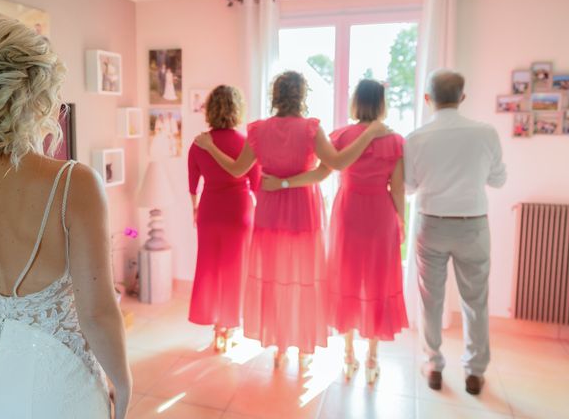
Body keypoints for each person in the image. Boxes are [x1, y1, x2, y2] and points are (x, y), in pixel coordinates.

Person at [0, 20, 132, 419]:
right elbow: (96, 313)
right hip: (50, 387)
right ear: (38, 94)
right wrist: (124, 384)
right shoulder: (72, 183)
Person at [195, 71, 387, 370]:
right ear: (302, 96)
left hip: (270, 212)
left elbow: (236, 170)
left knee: (275, 277)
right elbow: (333, 165)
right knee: (303, 278)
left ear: (275, 96)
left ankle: (280, 345)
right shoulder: (311, 129)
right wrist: (369, 135)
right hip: (303, 211)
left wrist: (209, 147)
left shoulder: (259, 130)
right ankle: (302, 349)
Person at [262, 79, 407, 383]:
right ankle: (372, 358)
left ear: (356, 102)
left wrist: (284, 183)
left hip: (349, 212)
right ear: (381, 104)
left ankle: (349, 355)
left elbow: (317, 173)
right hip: (381, 215)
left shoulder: (341, 135)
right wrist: (401, 221)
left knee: (348, 279)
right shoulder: (395, 141)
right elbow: (397, 189)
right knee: (378, 281)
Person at [404, 69, 506, 395]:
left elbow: (408, 187)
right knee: (475, 301)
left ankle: (433, 364)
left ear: (427, 99)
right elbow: (498, 179)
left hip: (431, 224)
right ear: (462, 98)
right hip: (473, 225)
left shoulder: (416, 137)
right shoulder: (486, 133)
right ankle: (475, 372)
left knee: (431, 300)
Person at [187, 85, 259, 352]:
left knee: (210, 268)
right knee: (234, 269)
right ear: (237, 109)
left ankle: (216, 328)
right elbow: (256, 183)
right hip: (239, 212)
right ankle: (228, 327)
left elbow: (193, 184)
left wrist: (195, 210)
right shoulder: (246, 143)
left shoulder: (199, 143)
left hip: (209, 210)